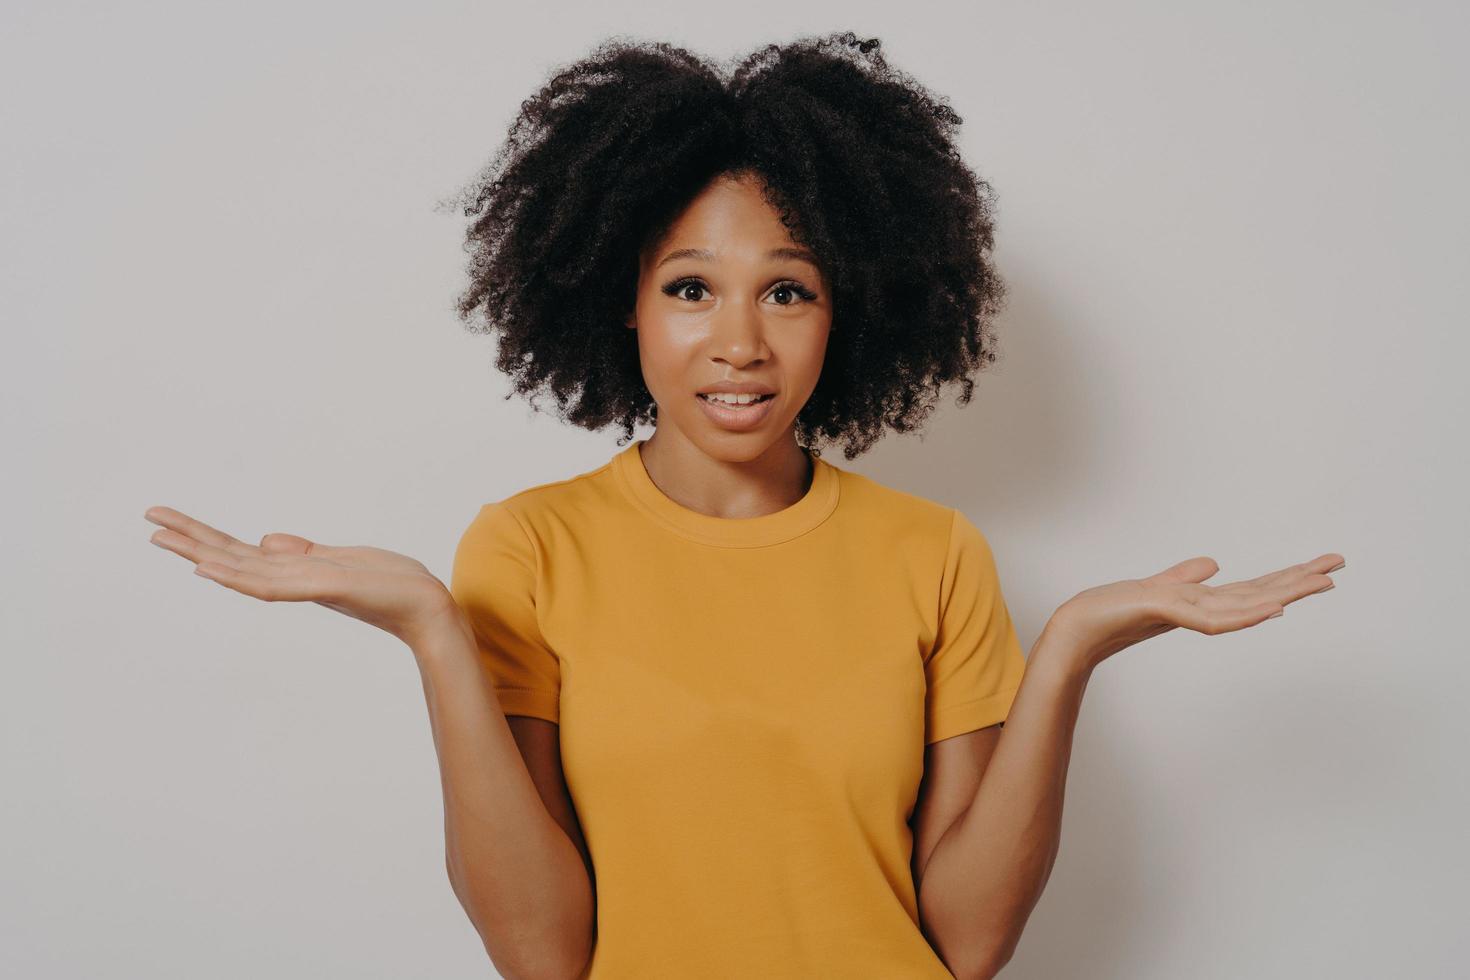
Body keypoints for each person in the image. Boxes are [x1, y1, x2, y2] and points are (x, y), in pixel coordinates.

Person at [143, 31, 1344, 980]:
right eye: (687, 287)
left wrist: (1073, 647)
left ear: (849, 308)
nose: (737, 343)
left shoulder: (932, 553)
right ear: (619, 298)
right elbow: (541, 954)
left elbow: (969, 943)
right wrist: (433, 631)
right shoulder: (529, 547)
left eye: (787, 290)